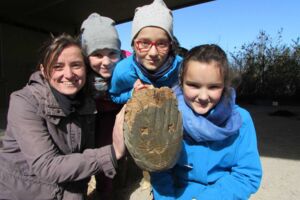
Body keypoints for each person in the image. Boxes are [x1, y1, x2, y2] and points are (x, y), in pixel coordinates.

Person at [0, 33, 125, 200]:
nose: (68, 74)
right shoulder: (25, 102)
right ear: (44, 70)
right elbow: (46, 166)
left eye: (76, 65)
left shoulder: (86, 103)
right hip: (24, 194)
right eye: (58, 66)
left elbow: (85, 155)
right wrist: (112, 153)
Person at [151, 44, 263, 199]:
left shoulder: (241, 120)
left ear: (224, 85)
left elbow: (247, 175)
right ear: (181, 82)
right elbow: (159, 169)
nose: (203, 97)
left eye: (213, 87)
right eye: (194, 85)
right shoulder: (168, 115)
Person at [80, 12, 129, 199]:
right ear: (86, 55)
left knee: (111, 150)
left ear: (119, 51)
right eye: (97, 54)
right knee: (91, 152)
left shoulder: (127, 66)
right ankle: (100, 189)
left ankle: (108, 189)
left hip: (114, 114)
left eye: (112, 53)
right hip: (90, 115)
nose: (106, 62)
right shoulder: (80, 69)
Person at [109, 0, 183, 104]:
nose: (153, 53)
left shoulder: (182, 68)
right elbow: (115, 96)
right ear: (133, 44)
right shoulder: (122, 71)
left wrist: (163, 94)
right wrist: (132, 93)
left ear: (170, 44)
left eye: (161, 44)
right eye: (144, 43)